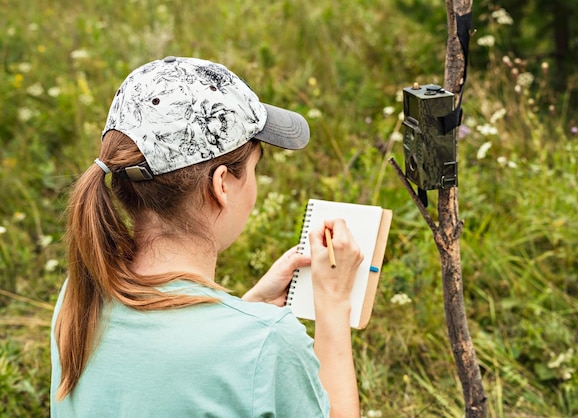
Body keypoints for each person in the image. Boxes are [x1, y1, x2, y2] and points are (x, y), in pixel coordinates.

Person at [50, 56, 363, 417]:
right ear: (222, 185)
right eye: (254, 169)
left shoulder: (80, 295)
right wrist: (333, 303)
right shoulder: (268, 343)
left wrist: (248, 311)